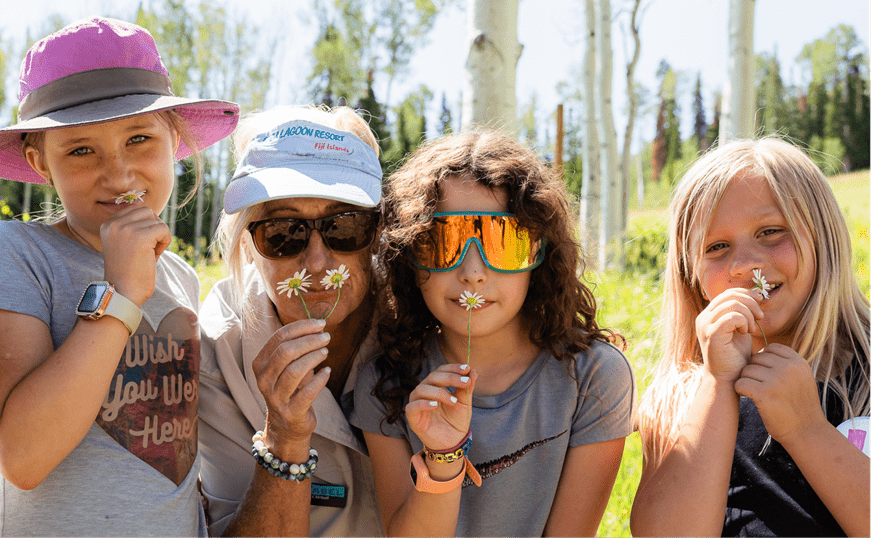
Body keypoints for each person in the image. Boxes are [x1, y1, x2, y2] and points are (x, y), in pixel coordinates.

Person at [0, 17, 239, 537]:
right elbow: (23, 457)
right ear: (41, 162)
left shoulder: (177, 276)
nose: (120, 173)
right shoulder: (17, 255)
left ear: (175, 139)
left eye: (139, 139)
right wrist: (122, 295)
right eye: (81, 150)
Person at [350, 130, 636, 537]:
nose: (472, 273)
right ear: (408, 257)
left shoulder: (594, 377)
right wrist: (443, 457)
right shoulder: (386, 384)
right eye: (441, 242)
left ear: (540, 253)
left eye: (502, 242)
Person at [630, 138, 870, 537]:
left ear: (824, 238)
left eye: (772, 232)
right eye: (717, 246)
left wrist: (806, 431)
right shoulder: (682, 396)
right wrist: (716, 383)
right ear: (693, 277)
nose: (744, 265)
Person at [197, 105, 384, 536]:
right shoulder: (219, 348)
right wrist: (284, 439)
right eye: (283, 233)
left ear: (377, 231)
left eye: (346, 226)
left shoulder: (429, 313)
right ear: (247, 243)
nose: (317, 262)